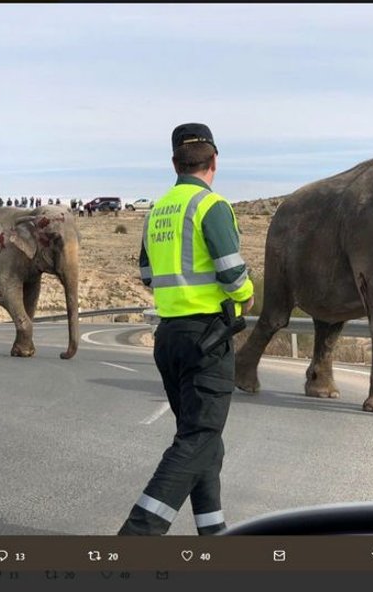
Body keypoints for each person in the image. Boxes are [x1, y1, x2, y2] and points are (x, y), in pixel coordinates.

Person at [118, 122, 254, 536]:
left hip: (169, 339)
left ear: (175, 162)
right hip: (207, 339)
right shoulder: (211, 206)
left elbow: (146, 273)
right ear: (214, 161)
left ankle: (214, 535)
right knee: (198, 438)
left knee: (203, 442)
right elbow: (233, 274)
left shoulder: (157, 210)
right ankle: (138, 535)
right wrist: (246, 293)